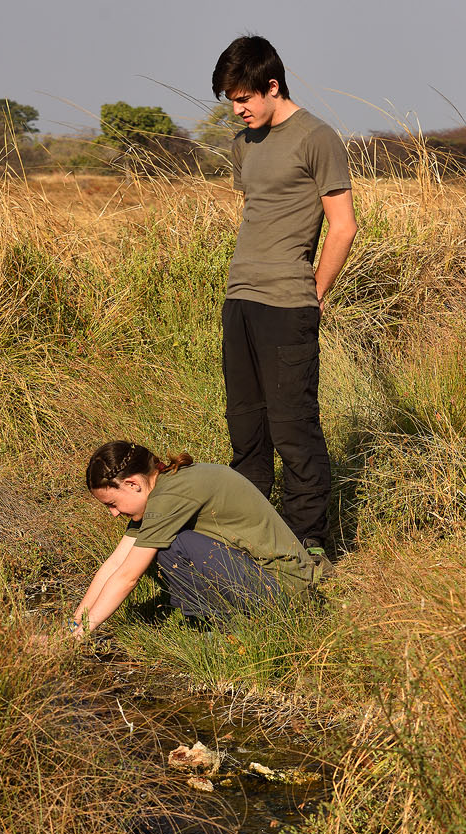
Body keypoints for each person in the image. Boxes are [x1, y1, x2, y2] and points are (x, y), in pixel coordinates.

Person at [212, 35, 358, 566]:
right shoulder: (243, 142)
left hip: (288, 302)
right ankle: (253, 538)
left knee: (293, 425)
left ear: (273, 86)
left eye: (245, 97)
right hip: (240, 297)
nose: (238, 109)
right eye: (230, 99)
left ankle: (308, 545)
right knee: (246, 425)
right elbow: (259, 212)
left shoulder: (317, 137)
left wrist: (314, 293)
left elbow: (342, 227)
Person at [68, 440, 319, 638]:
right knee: (159, 546)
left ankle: (232, 629)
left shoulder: (168, 498)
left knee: (171, 547)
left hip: (286, 590)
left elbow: (127, 576)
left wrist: (81, 635)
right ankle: (230, 623)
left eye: (112, 504)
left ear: (133, 484)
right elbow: (115, 564)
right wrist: (73, 626)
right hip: (270, 581)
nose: (113, 514)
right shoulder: (163, 489)